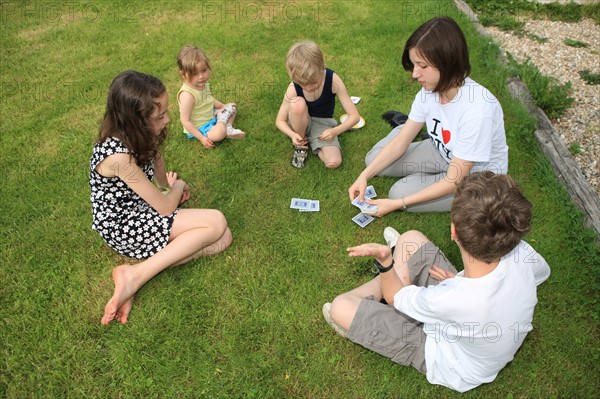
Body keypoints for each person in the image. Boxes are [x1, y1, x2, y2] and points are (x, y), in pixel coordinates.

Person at [324, 172, 550, 392]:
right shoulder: (523, 252)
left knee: (341, 307)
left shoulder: (454, 299)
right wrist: (461, 281)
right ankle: (396, 277)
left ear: (454, 232)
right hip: (465, 319)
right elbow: (540, 274)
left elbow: (396, 299)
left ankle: (388, 277)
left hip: (445, 358)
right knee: (410, 238)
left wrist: (385, 263)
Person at [90, 70, 233, 325]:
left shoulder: (136, 133)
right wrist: (176, 187)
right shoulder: (118, 159)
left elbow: (155, 158)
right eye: (160, 116)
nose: (168, 120)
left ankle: (139, 272)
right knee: (216, 222)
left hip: (141, 207)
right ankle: (134, 276)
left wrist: (163, 185)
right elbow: (167, 208)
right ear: (135, 120)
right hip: (124, 226)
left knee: (223, 240)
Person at [348, 16, 508, 213]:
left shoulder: (478, 110)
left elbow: (454, 180)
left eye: (422, 66)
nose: (415, 74)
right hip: (442, 151)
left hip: (475, 179)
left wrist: (398, 204)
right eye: (414, 65)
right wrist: (364, 176)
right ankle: (405, 126)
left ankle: (419, 158)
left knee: (398, 193)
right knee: (373, 162)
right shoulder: (429, 90)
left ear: (447, 62)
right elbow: (400, 144)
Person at [275, 40, 360, 169]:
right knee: (297, 103)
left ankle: (314, 141)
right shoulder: (293, 87)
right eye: (302, 84)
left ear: (322, 68)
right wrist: (293, 135)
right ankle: (301, 143)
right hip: (299, 120)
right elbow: (280, 120)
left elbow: (355, 116)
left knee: (334, 162)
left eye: (313, 83)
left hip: (323, 124)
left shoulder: (333, 81)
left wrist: (334, 131)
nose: (308, 88)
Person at [177, 45, 245, 149]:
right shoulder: (187, 95)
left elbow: (207, 98)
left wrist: (220, 106)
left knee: (232, 107)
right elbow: (185, 121)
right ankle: (223, 125)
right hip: (200, 127)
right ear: (183, 75)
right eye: (195, 74)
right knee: (218, 134)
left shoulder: (202, 83)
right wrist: (201, 138)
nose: (201, 76)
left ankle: (227, 126)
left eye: (204, 70)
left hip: (210, 115)